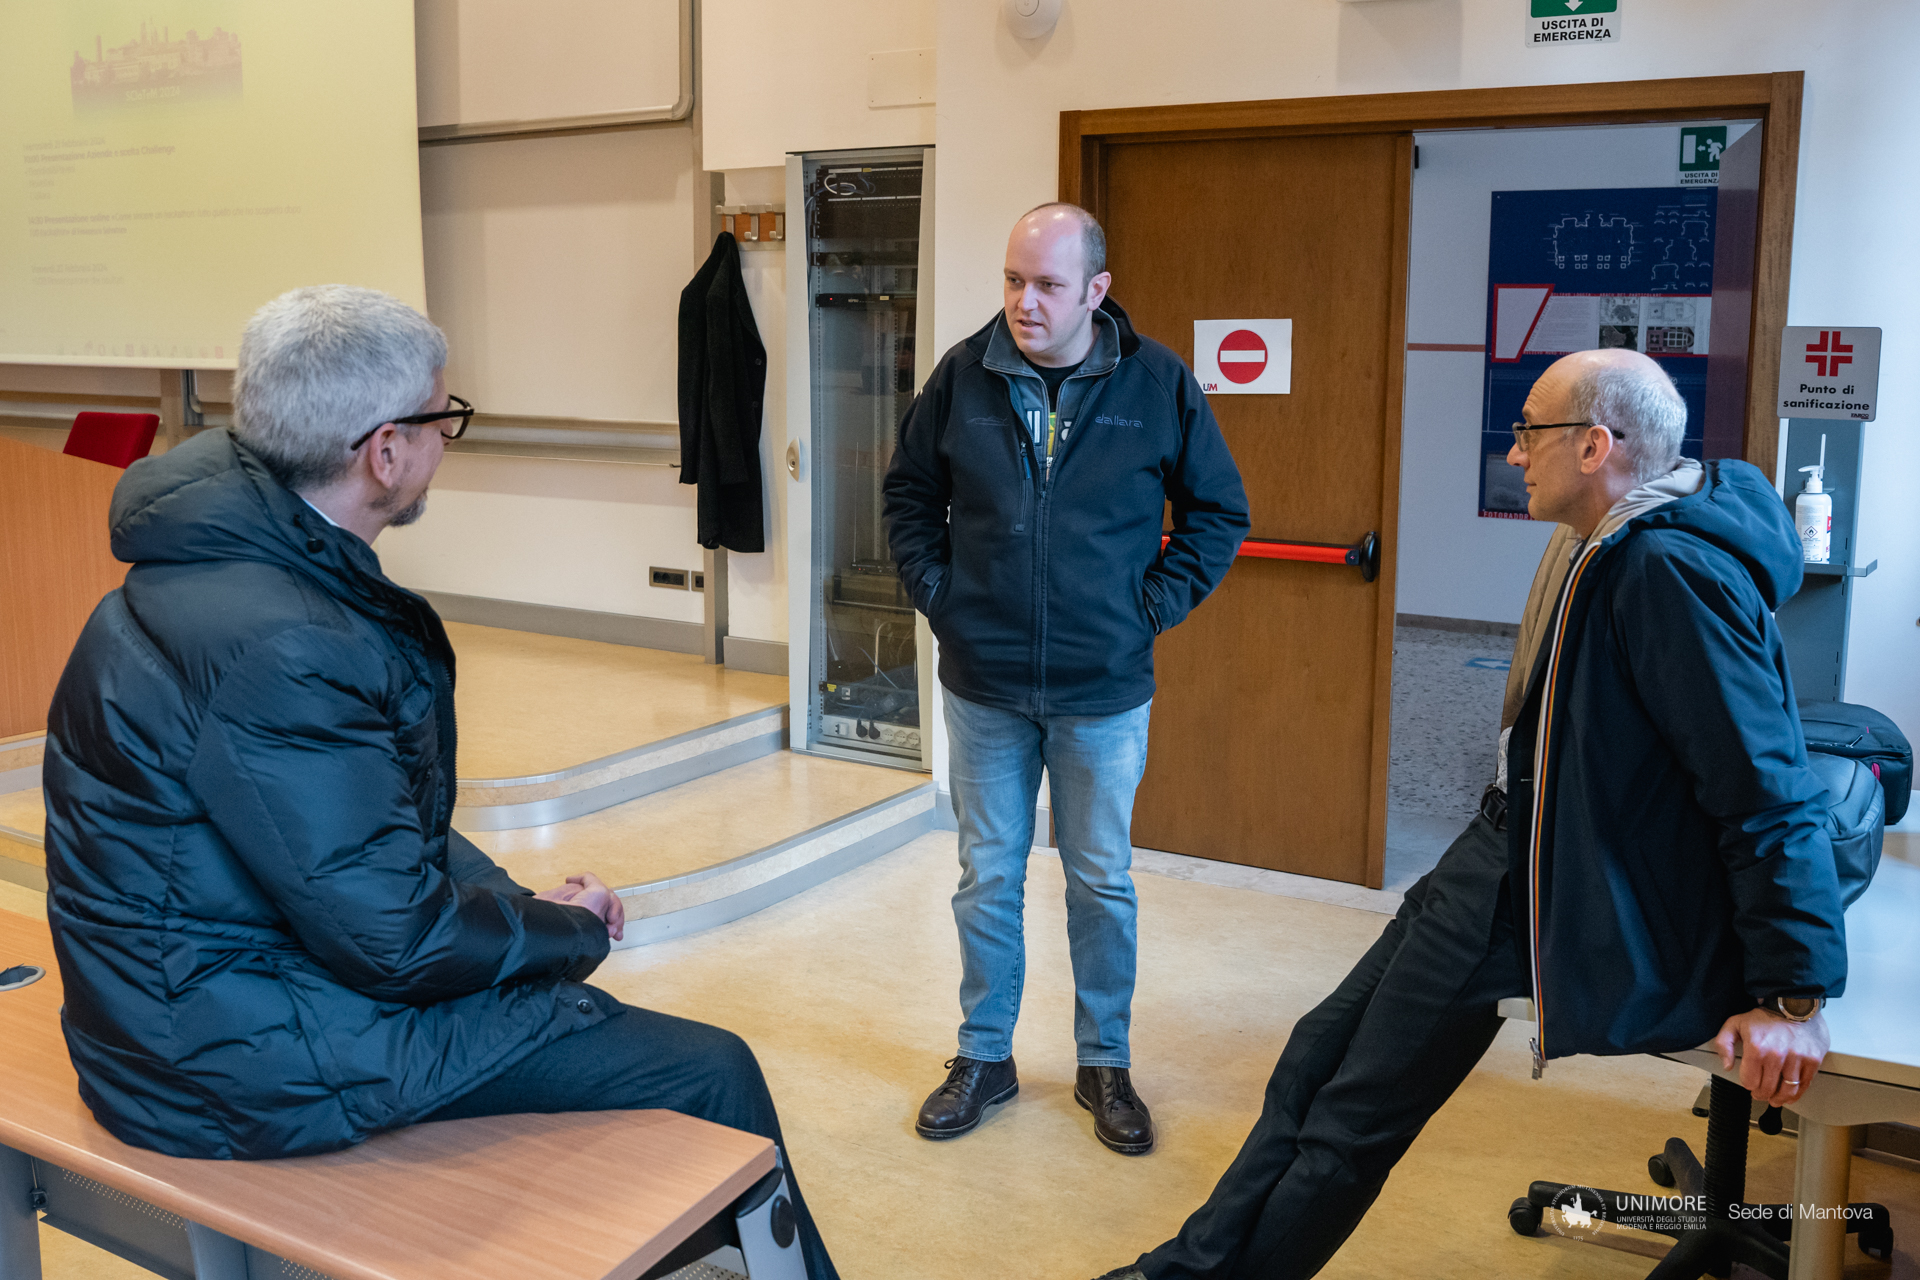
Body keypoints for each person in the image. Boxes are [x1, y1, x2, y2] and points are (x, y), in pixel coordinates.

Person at [41, 285, 839, 1279]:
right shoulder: (288, 642)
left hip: (166, 1010)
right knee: (711, 1069)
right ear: (384, 452)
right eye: (441, 417)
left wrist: (520, 906)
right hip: (218, 1062)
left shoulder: (209, 566)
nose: (445, 439)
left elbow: (362, 832)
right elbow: (397, 940)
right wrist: (572, 935)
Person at [1091, 348, 1846, 1278]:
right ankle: (1179, 1269)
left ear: (1596, 446)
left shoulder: (1666, 570)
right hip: (1495, 846)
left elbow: (1764, 787)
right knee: (1316, 1056)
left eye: (1530, 432)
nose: (1514, 452)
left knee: (1352, 1119)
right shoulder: (1608, 537)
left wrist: (1793, 994)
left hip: (1528, 883)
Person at [883, 204, 1250, 1155]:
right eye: (1014, 280)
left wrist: (1148, 608)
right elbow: (909, 495)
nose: (1025, 302)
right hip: (984, 682)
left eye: (1048, 285)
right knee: (987, 875)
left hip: (1103, 689)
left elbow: (1218, 512)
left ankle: (1104, 1062)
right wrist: (942, 598)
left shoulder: (1156, 382)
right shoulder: (963, 375)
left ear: (1097, 290)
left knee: (1099, 881)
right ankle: (983, 1056)